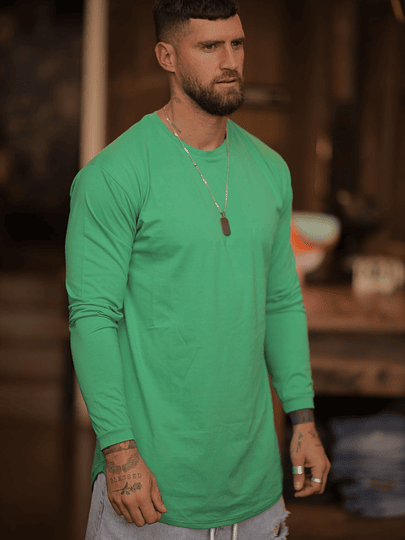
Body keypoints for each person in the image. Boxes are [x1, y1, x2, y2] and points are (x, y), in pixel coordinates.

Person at [65, 1, 330, 538]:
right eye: (209, 47)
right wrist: (119, 451)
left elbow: (281, 301)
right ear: (167, 56)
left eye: (237, 44)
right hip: (151, 491)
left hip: (256, 494)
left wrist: (302, 419)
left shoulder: (271, 170)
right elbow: (91, 316)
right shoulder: (114, 175)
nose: (230, 61)